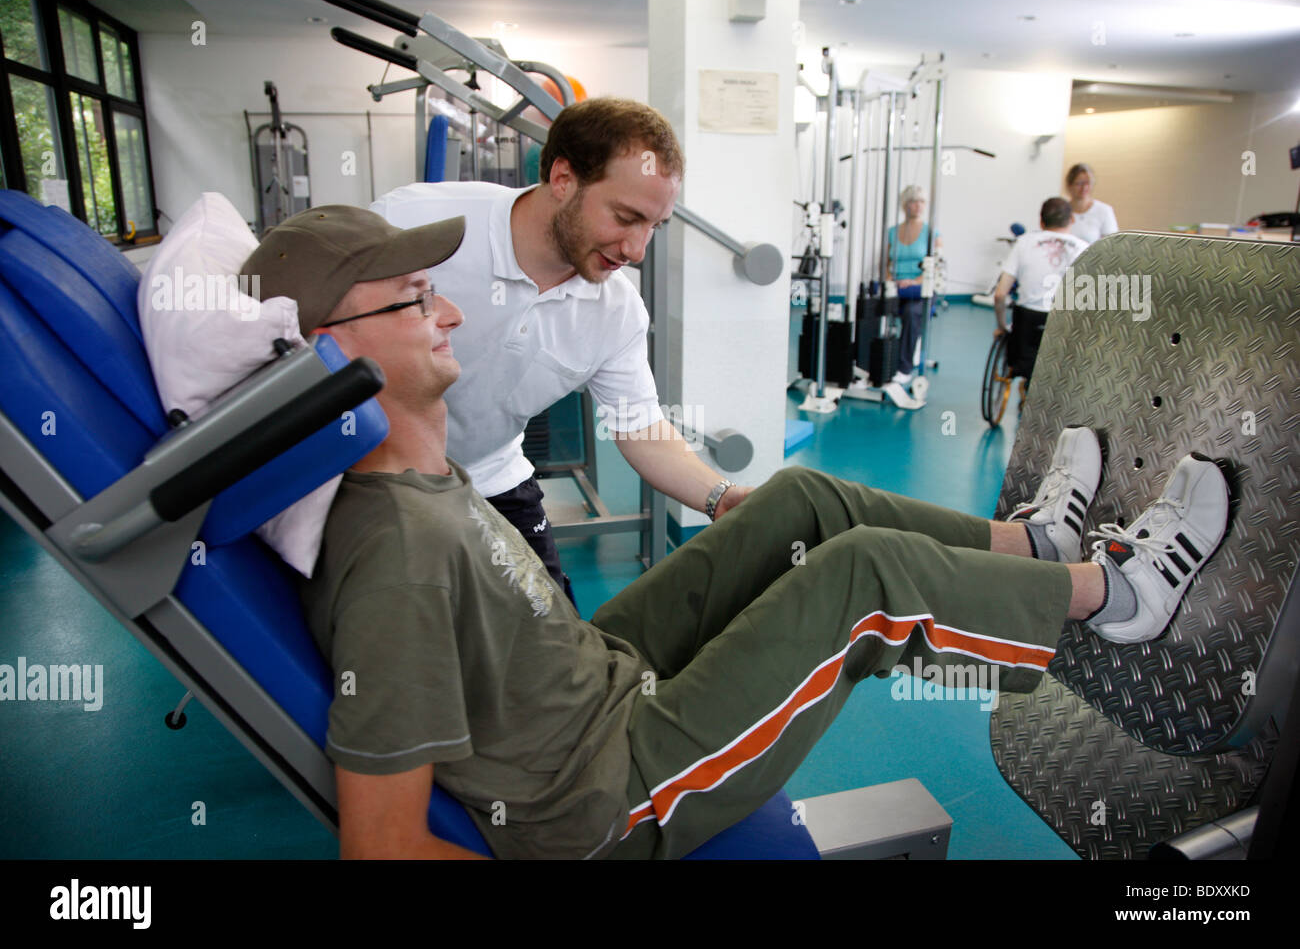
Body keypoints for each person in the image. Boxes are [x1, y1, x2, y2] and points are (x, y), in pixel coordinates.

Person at [244, 205, 1231, 860]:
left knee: (794, 506)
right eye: (416, 299)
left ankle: (1037, 549)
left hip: (599, 673)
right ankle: (1119, 596)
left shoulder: (419, 468)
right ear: (330, 350)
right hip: (604, 786)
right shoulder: (392, 552)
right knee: (869, 577)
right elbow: (381, 846)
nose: (450, 309)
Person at [369, 97, 752, 605]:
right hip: (375, 477)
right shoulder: (412, 222)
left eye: (654, 227)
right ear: (563, 178)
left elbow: (639, 425)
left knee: (558, 648)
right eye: (625, 217)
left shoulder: (615, 310)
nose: (636, 250)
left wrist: (719, 498)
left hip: (492, 477)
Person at [991, 197, 1091, 390]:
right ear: (1071, 220)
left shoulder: (1023, 243)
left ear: (1041, 221)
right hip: (1065, 327)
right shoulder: (1084, 249)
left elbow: (1000, 294)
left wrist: (1002, 327)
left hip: (1026, 325)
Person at [884, 185, 942, 387]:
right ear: (905, 204)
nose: (918, 206)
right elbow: (886, 264)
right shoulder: (892, 232)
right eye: (913, 201)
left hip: (921, 289)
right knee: (873, 307)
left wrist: (914, 281)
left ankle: (904, 367)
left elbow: (936, 266)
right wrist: (891, 279)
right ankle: (872, 360)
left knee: (911, 313)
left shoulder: (931, 233)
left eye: (922, 202)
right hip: (897, 288)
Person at [1065, 162, 1119, 244]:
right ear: (1070, 185)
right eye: (1079, 183)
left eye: (1088, 183)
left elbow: (1112, 244)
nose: (1084, 188)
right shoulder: (1062, 211)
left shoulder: (1104, 210)